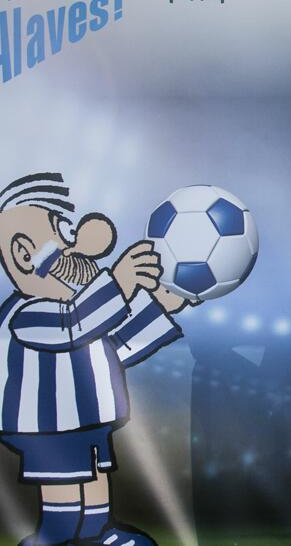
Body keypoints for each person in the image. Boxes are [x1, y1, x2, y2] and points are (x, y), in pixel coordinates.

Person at [0, 172, 189, 546]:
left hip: (88, 422)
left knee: (95, 485)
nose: (76, 244)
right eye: (61, 233)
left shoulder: (82, 311)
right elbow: (73, 325)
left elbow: (117, 344)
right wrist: (118, 282)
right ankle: (53, 540)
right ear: (24, 254)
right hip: (49, 428)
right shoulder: (29, 314)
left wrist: (164, 305)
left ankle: (98, 535)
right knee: (65, 491)